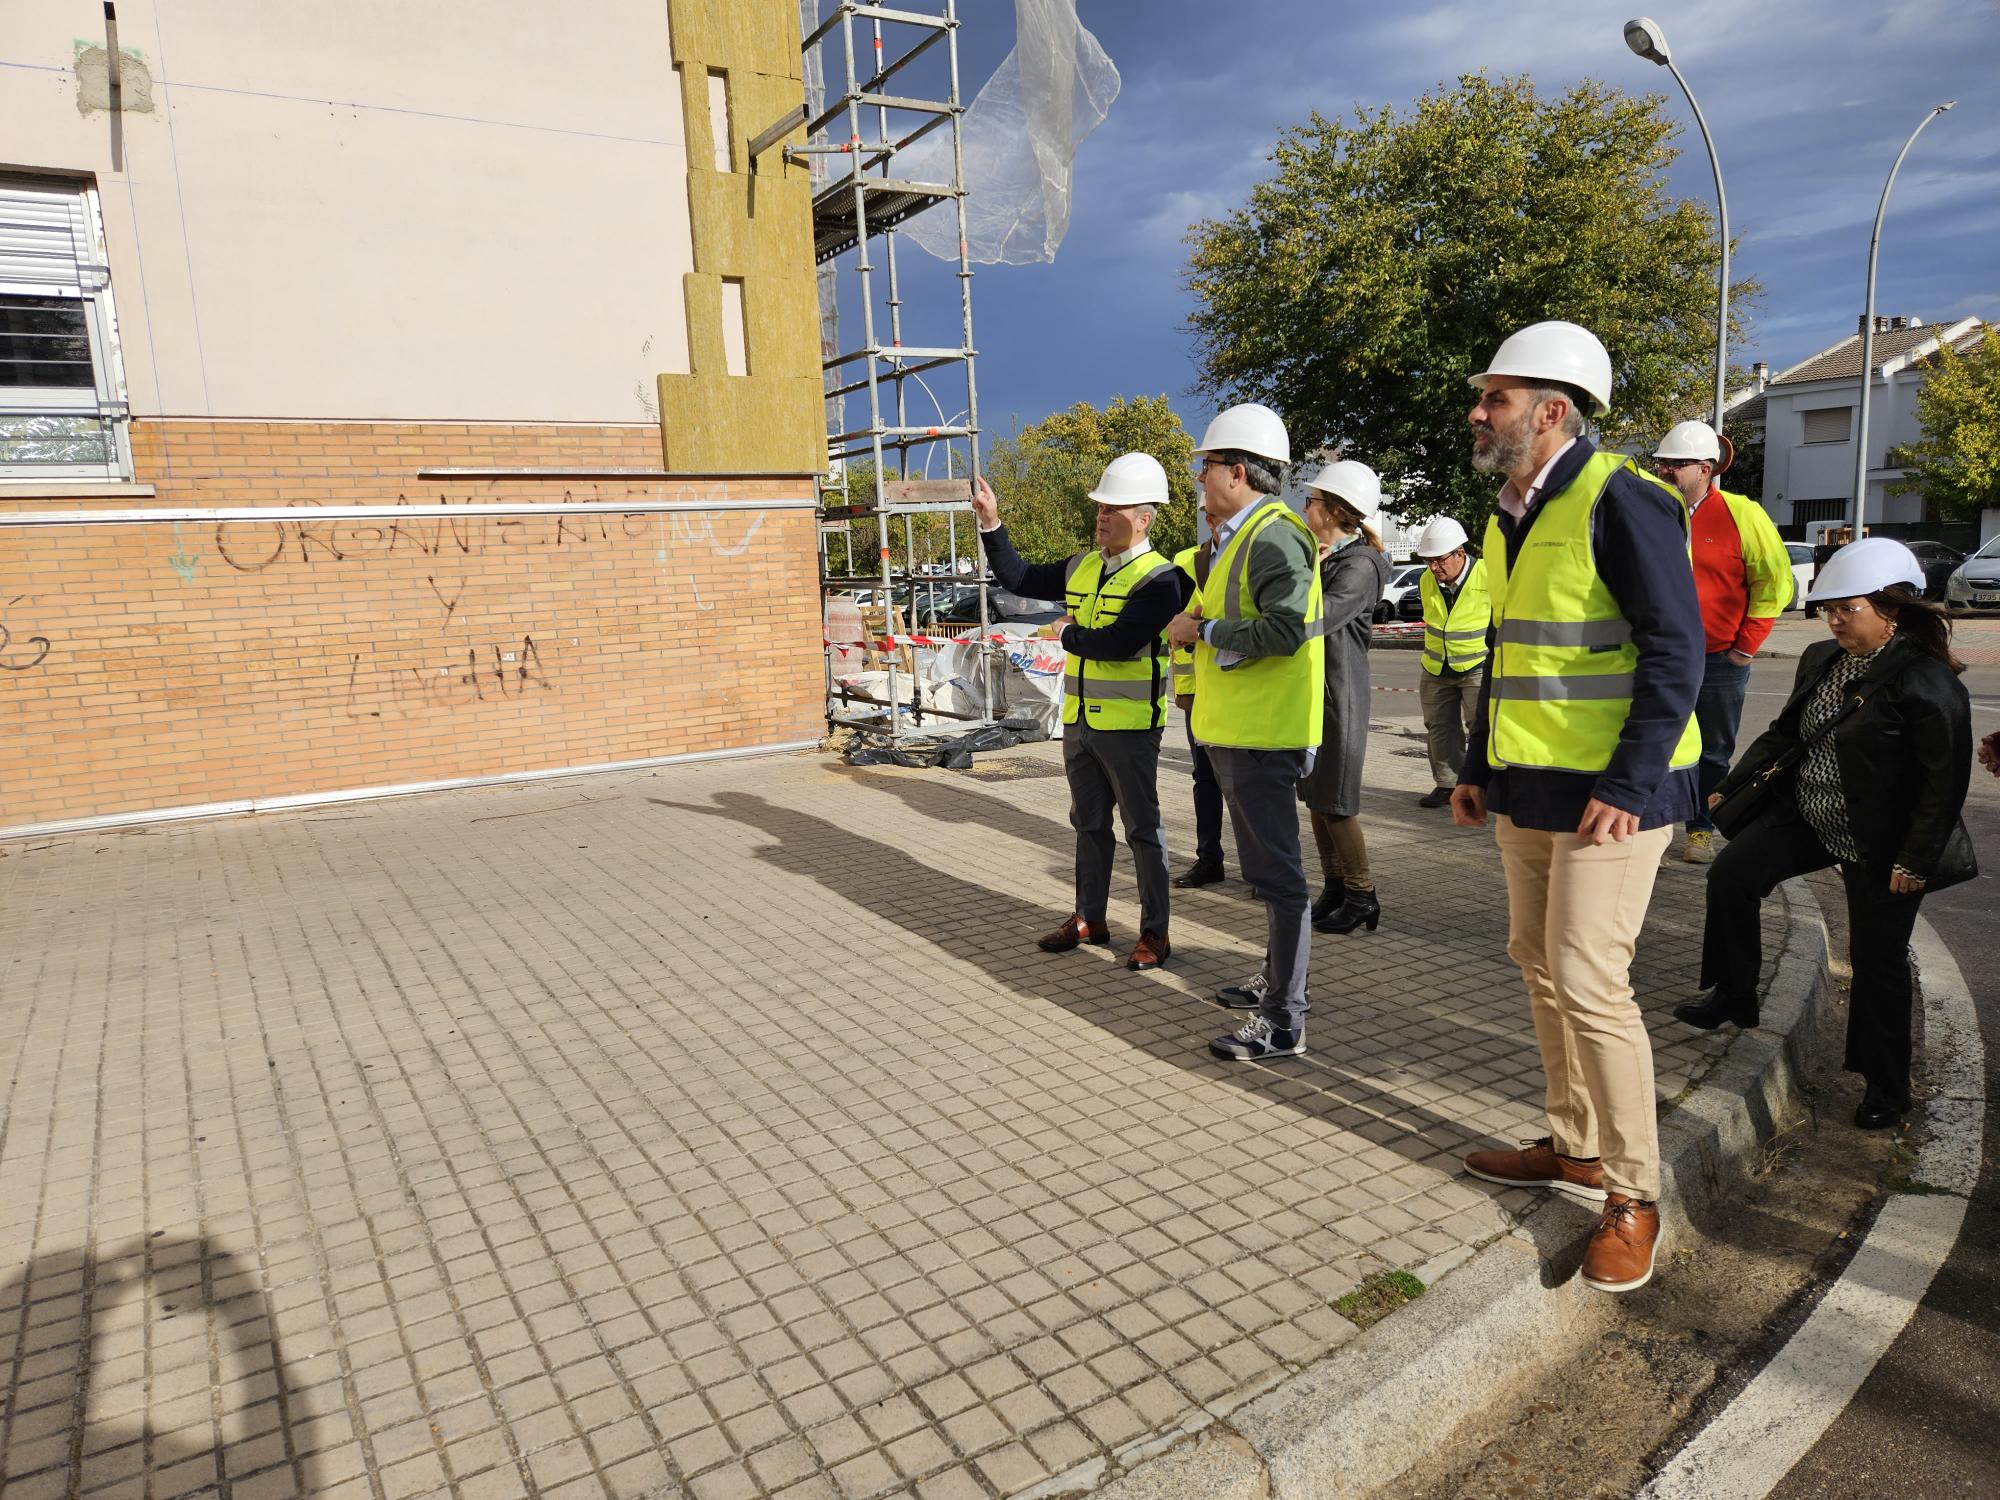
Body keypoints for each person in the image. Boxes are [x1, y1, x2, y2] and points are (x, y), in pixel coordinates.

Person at [1450, 320, 1704, 1295]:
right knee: (1534, 959)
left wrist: (1628, 785)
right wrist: (1475, 765)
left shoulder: (1622, 499)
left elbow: (1674, 651)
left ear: (1551, 411)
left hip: (1613, 794)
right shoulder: (1509, 514)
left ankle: (1634, 1194)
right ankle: (1573, 1147)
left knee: (1586, 975)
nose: (1477, 413)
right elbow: (1511, 656)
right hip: (1527, 784)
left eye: (1495, 398)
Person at [1679, 538, 1974, 1129]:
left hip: (1882, 840)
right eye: (1828, 609)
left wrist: (1914, 861)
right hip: (1810, 815)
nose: (1834, 620)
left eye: (1849, 608)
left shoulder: (1927, 682)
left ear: (1893, 608)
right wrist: (1731, 787)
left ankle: (1886, 1086)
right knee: (1731, 876)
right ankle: (1735, 993)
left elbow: (1942, 786)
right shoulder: (1820, 657)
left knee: (1878, 960)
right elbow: (1786, 735)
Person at [972, 453, 1181, 972]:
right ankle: (1090, 917)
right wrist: (990, 522)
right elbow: (1017, 577)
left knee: (1142, 831)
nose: (1101, 515)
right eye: (1100, 506)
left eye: (1113, 507)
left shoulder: (1162, 579)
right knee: (1087, 825)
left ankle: (1155, 933)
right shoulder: (1081, 565)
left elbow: (1116, 643)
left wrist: (1061, 633)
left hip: (1131, 729)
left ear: (1144, 518)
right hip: (1081, 723)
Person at [1164, 402, 1325, 1061]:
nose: (1200, 480)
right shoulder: (1242, 538)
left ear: (1237, 472)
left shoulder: (1273, 536)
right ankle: (1277, 981)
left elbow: (1284, 633)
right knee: (1267, 874)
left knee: (1280, 880)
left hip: (1264, 737)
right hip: (1240, 734)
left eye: (1206, 468)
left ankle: (1284, 1020)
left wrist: (1199, 630)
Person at [1651, 420, 1793, 863]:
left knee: (1712, 751)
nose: (1666, 471)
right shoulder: (1650, 510)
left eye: (1677, 464)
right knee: (1653, 741)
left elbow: (1774, 582)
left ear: (1706, 468)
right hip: (1659, 656)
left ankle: (1699, 828)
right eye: (1662, 463)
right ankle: (1651, 831)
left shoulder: (1743, 514)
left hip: (1719, 658)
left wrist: (1746, 646)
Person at [1298, 460, 1392, 933]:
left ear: (1335, 510)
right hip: (1317, 695)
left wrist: (1306, 570)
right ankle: (1335, 886)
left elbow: (1318, 616)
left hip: (1342, 696)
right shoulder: (1330, 557)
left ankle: (1362, 894)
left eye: (1312, 500)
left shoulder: (1359, 565)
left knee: (1337, 802)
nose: (1305, 506)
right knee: (1316, 798)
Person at [1413, 516, 1490, 809]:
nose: (1433, 567)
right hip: (1435, 666)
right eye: (1428, 561)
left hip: (1478, 664)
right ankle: (1447, 784)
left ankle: (1483, 786)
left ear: (1460, 553)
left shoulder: (1487, 573)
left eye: (1439, 560)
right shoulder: (1426, 579)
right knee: (1439, 727)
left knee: (1481, 727)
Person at [1169, 540, 1232, 889]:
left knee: (1244, 784)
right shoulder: (1185, 561)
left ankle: (1258, 866)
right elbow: (1174, 623)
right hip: (1196, 693)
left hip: (1236, 690)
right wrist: (1183, 689)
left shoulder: (1247, 551)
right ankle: (1209, 858)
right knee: (1205, 779)